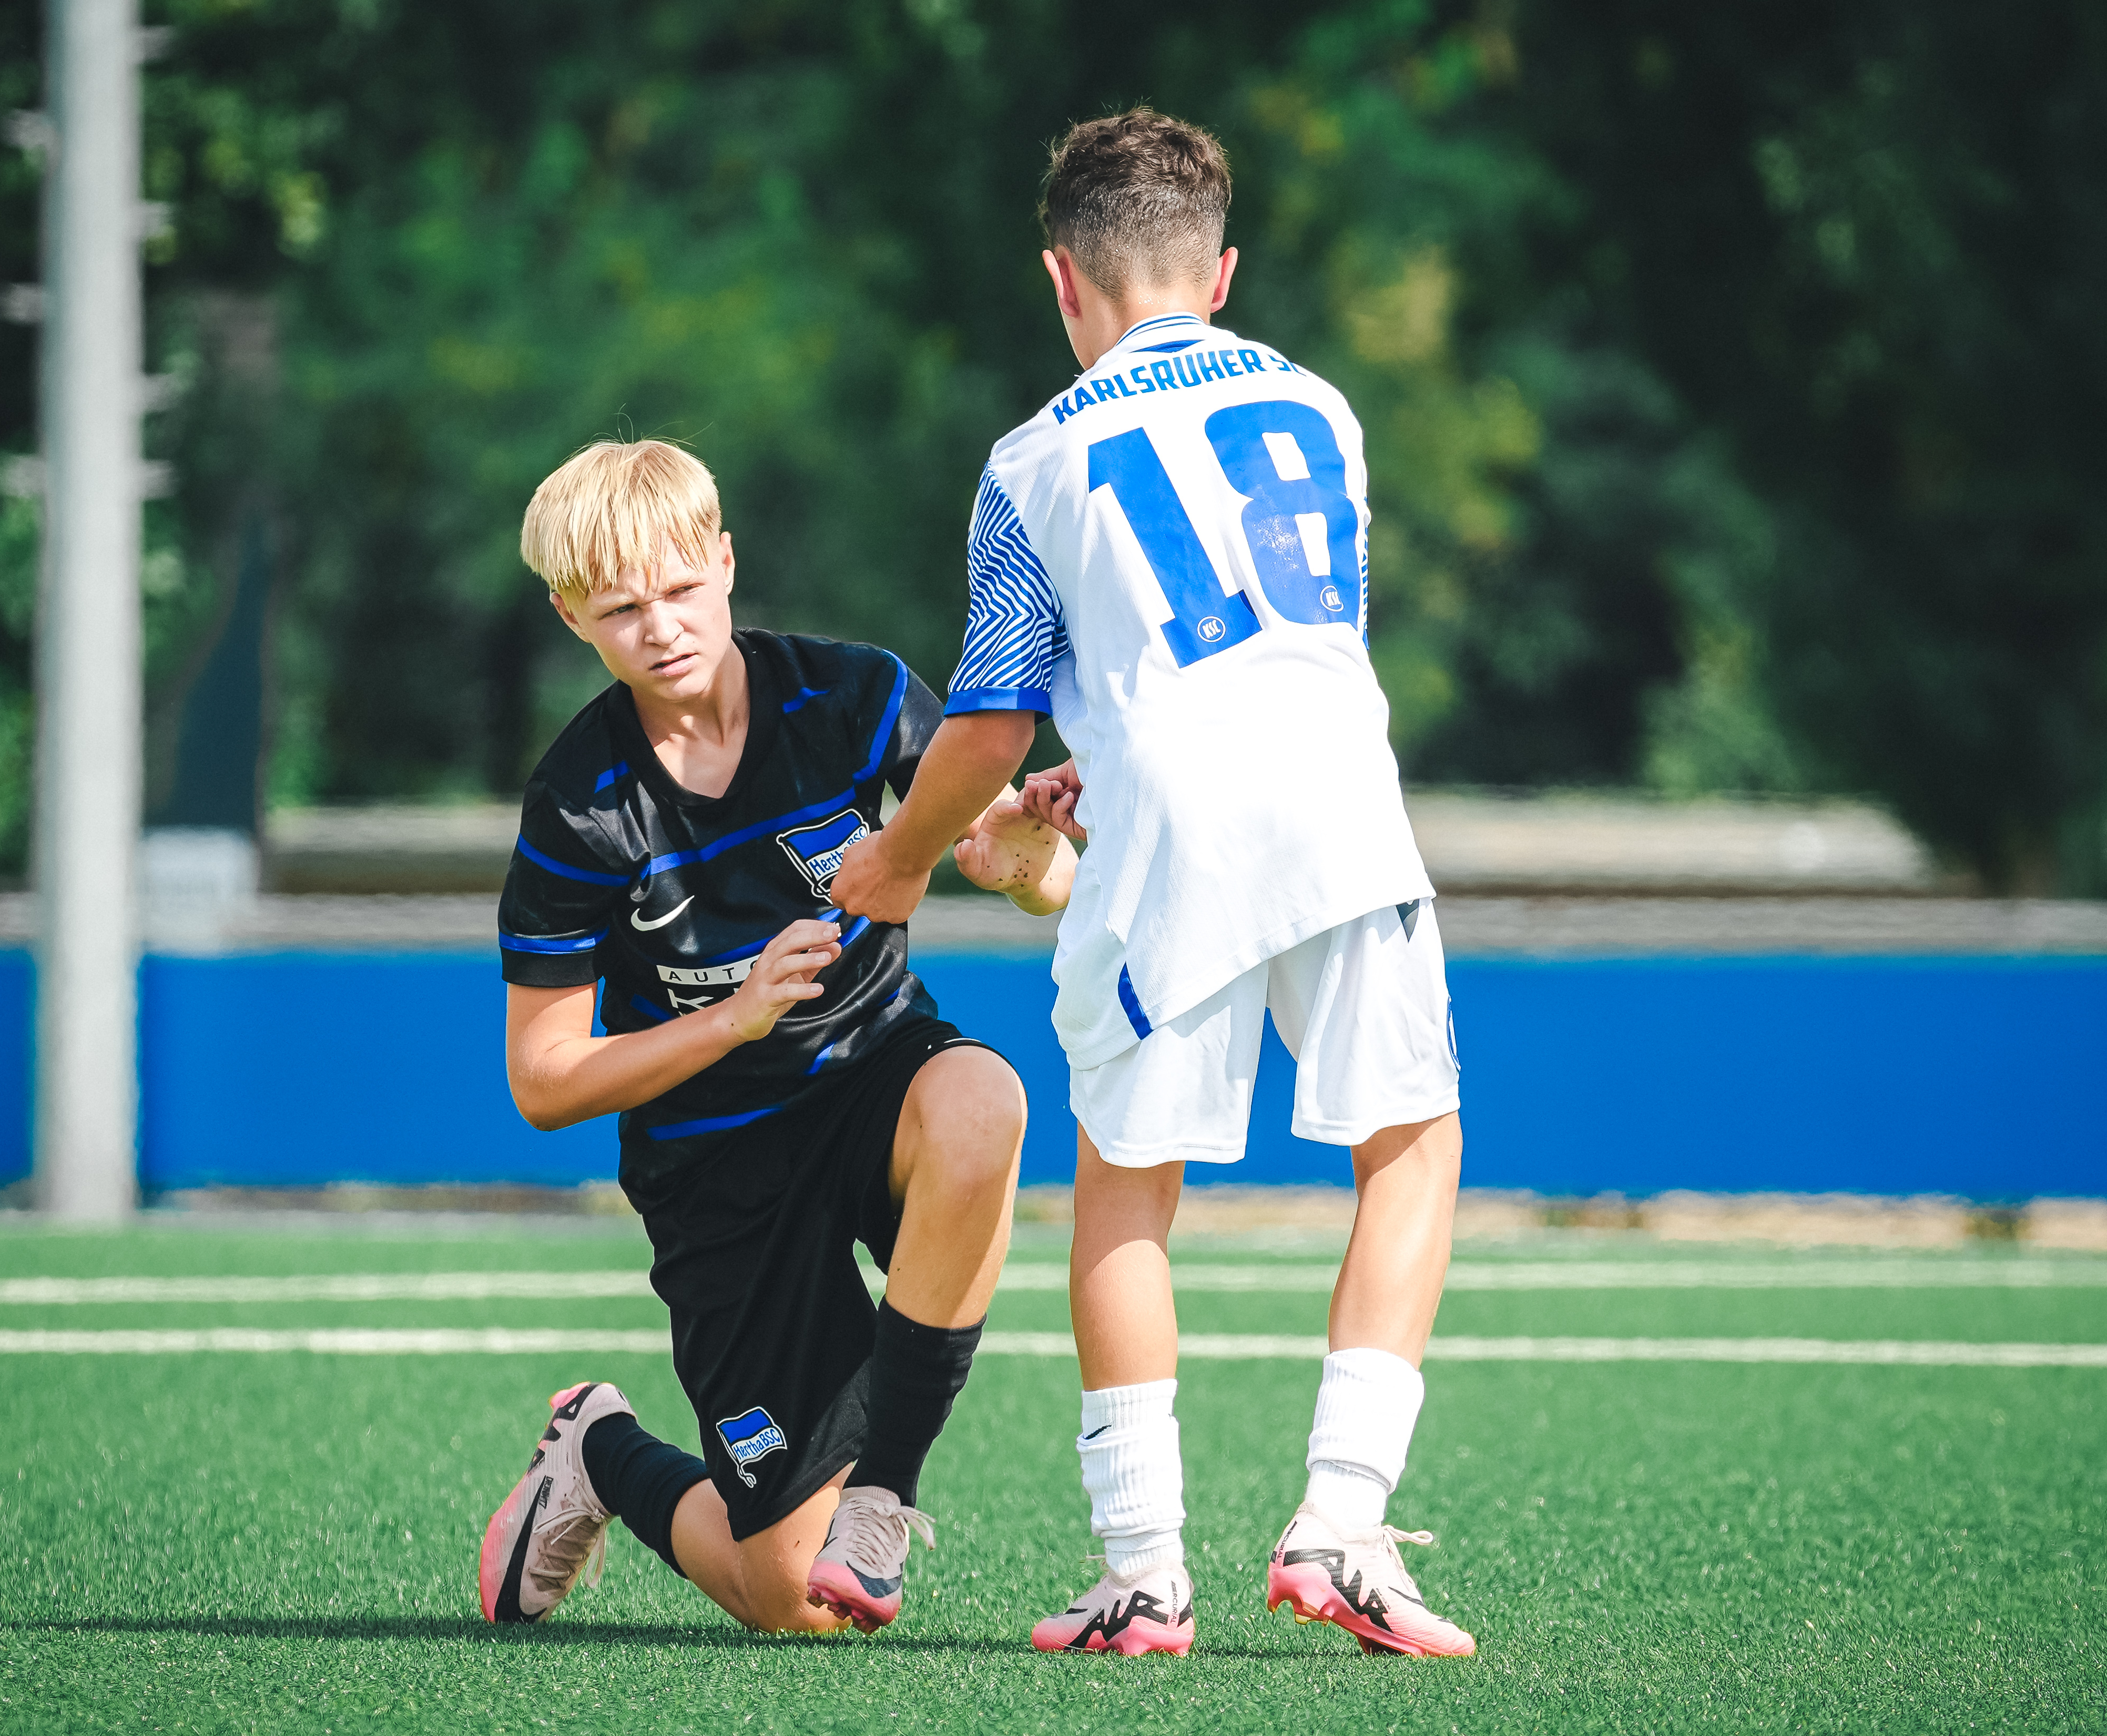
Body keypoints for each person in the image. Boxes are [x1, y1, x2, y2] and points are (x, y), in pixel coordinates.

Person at [830, 109, 1475, 1659]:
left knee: (1129, 1180)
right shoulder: (1322, 408)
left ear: (1064, 280)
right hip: (1341, 799)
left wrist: (898, 861)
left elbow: (991, 719)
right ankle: (1341, 1524)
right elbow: (1284, 645)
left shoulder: (1031, 457)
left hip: (1175, 830)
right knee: (1411, 1147)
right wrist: (1097, 766)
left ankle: (1143, 1570)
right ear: (1224, 269)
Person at [481, 437, 1073, 1635]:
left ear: (727, 561)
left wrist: (1022, 861)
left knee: (984, 1101)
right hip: (720, 1164)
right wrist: (733, 1014)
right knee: (792, 1606)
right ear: (570, 617)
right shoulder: (578, 803)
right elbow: (543, 1082)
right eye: (621, 608)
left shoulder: (849, 695)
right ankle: (598, 1452)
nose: (662, 627)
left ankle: (882, 1499)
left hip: (872, 1079)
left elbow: (1027, 869)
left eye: (683, 589)